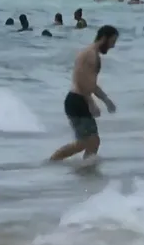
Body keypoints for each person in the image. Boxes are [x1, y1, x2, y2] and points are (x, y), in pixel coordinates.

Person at [49, 25, 119, 162]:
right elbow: (80, 80)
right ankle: (53, 161)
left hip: (77, 100)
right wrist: (91, 102)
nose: (113, 46)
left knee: (92, 141)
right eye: (112, 42)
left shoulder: (91, 54)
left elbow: (91, 83)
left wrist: (106, 100)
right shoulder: (90, 55)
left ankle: (86, 171)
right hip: (77, 100)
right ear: (104, 38)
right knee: (86, 142)